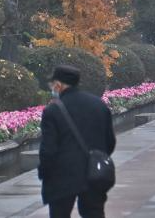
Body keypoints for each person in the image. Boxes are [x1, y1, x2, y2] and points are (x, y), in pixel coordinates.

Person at [39, 65, 117, 217]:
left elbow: (48, 150)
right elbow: (110, 141)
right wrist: (96, 158)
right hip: (94, 174)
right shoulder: (98, 105)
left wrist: (44, 173)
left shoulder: (53, 111)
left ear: (58, 85)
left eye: (52, 84)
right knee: (94, 213)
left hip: (62, 177)